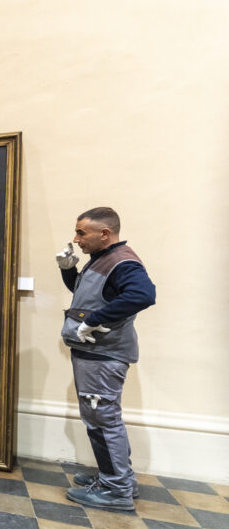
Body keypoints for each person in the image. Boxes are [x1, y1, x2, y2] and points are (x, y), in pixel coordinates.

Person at [57, 207, 155, 511]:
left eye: (81, 233)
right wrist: (68, 270)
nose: (76, 239)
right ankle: (116, 478)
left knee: (102, 421)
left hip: (103, 355)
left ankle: (116, 489)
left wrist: (95, 320)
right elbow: (89, 295)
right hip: (95, 353)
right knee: (100, 419)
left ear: (104, 233)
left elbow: (142, 295)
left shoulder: (121, 261)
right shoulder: (104, 259)